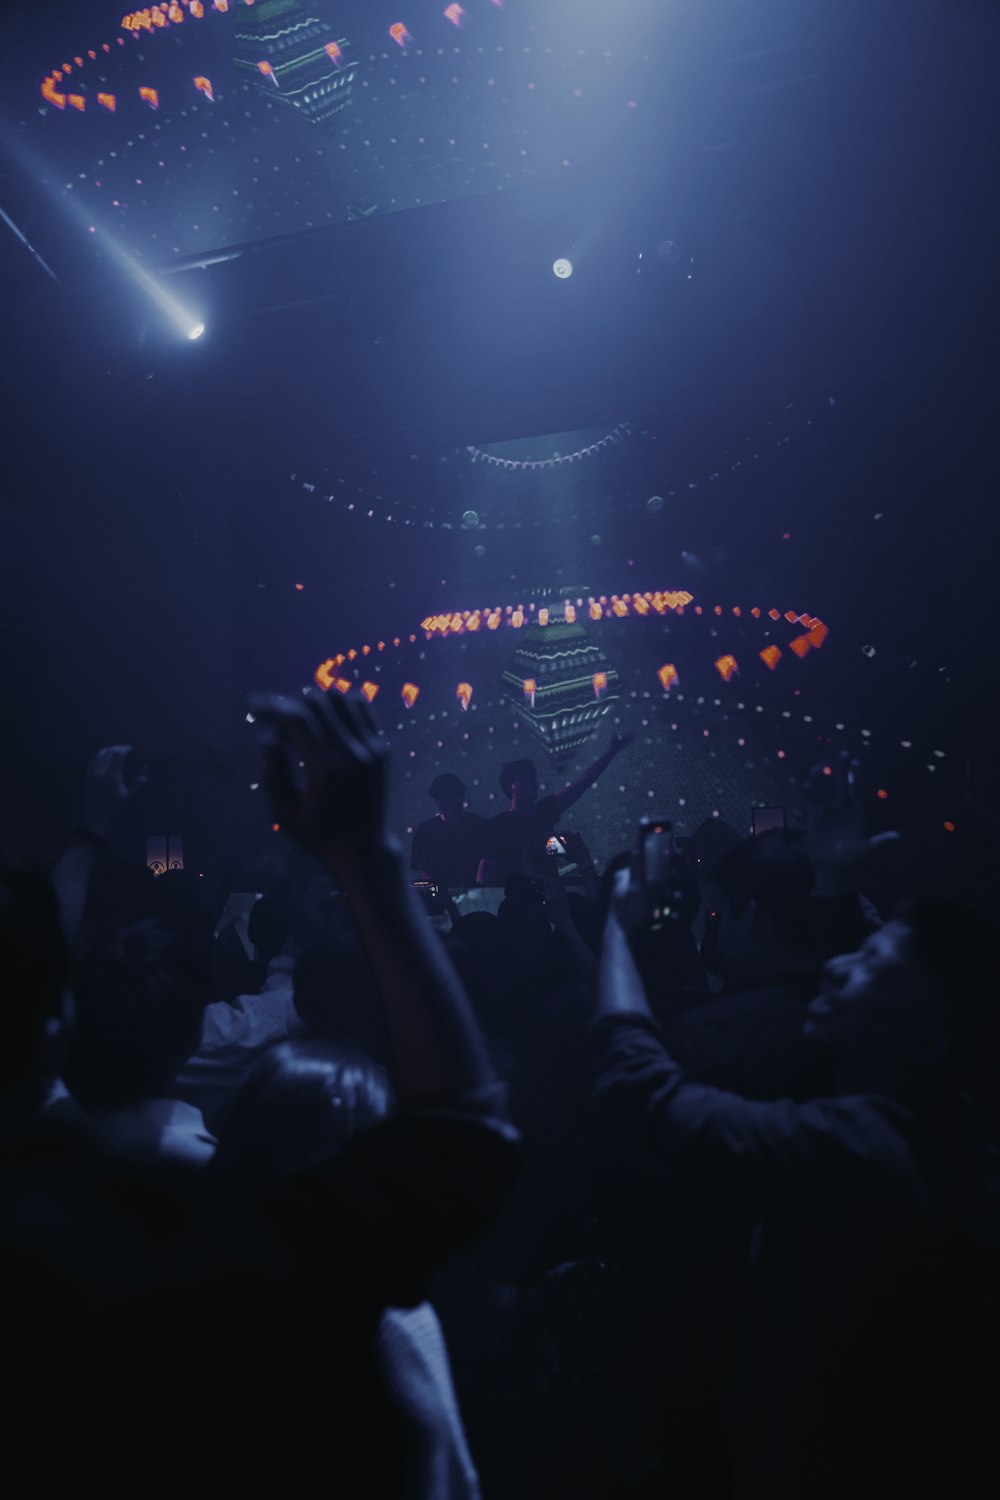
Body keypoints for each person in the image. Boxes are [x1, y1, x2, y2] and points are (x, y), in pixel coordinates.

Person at [0, 691, 518, 1497]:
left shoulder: (35, 1210)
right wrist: (367, 858)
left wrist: (91, 828)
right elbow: (463, 1144)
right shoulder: (254, 1240)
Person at [589, 868, 998, 1496]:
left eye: (868, 960)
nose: (835, 965)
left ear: (927, 1037)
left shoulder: (863, 1151)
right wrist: (834, 877)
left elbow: (644, 1096)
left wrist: (616, 930)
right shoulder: (937, 1133)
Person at [476, 735, 633, 886]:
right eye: (525, 777)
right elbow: (485, 870)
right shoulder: (498, 826)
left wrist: (611, 752)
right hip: (520, 901)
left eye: (533, 777)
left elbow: (582, 783)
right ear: (511, 786)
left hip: (552, 896)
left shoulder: (544, 811)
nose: (533, 782)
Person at [411, 772, 487, 887]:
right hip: (446, 897)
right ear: (437, 801)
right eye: (446, 805)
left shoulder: (482, 826)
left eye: (454, 803)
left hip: (474, 896)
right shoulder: (425, 832)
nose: (451, 810)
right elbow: (425, 873)